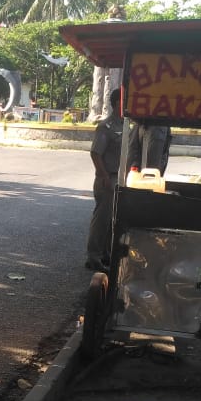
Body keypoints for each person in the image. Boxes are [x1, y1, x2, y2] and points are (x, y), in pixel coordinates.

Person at [86, 88, 122, 271]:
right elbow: (95, 153)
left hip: (120, 178)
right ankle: (93, 256)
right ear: (118, 103)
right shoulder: (106, 126)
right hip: (107, 178)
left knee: (112, 220)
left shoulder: (125, 125)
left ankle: (106, 254)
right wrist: (104, 176)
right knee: (102, 219)